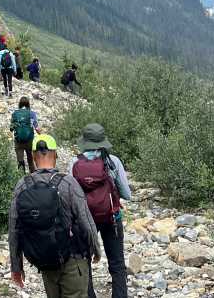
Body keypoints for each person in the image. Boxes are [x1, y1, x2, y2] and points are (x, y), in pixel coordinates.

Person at [9, 134, 101, 298]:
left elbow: (14, 229)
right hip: (73, 260)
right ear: (56, 155)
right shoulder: (68, 183)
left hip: (44, 261)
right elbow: (86, 220)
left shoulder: (23, 185)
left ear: (34, 156)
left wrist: (16, 267)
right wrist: (96, 248)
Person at [69, 124, 133, 298]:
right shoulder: (113, 161)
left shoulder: (75, 163)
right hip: (112, 216)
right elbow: (127, 194)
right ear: (103, 142)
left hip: (84, 219)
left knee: (85, 261)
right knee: (117, 263)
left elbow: (70, 195)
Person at [10, 97, 41, 173]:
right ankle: (33, 176)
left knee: (20, 161)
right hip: (29, 141)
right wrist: (42, 135)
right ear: (28, 104)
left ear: (20, 104)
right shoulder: (31, 113)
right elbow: (37, 128)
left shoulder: (15, 114)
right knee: (30, 159)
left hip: (18, 141)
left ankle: (21, 177)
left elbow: (11, 128)